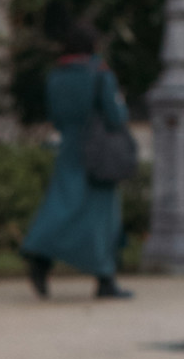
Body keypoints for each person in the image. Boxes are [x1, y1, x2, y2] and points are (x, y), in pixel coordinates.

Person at [21, 21, 134, 299]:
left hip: (69, 147)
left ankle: (40, 254)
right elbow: (115, 116)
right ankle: (105, 278)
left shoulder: (57, 76)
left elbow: (57, 118)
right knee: (102, 216)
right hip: (98, 152)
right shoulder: (98, 73)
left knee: (60, 206)